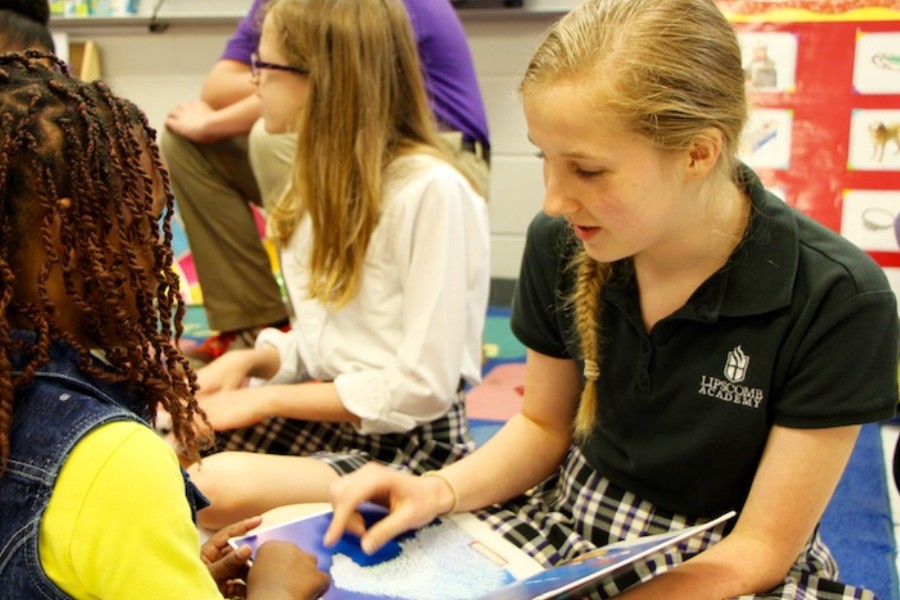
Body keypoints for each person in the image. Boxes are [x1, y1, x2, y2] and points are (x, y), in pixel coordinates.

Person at [324, 1, 900, 598]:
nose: (553, 200)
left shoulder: (840, 299)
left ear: (699, 153)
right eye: (545, 157)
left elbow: (759, 548)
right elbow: (543, 425)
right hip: (569, 525)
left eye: (589, 171)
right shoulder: (564, 244)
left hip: (723, 563)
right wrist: (439, 488)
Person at [0, 50, 330, 600]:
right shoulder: (114, 461)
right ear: (61, 236)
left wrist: (168, 569)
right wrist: (278, 593)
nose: (161, 256)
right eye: (146, 227)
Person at [183, 0, 490, 532]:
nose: (254, 82)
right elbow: (335, 340)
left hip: (411, 448)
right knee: (170, 438)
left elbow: (422, 387)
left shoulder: (431, 192)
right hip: (339, 420)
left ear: (322, 80)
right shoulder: (318, 178)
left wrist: (267, 400)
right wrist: (255, 362)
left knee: (205, 487)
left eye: (266, 68)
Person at [161, 0, 490, 363]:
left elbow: (343, 81)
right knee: (187, 142)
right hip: (346, 136)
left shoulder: (373, 10)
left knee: (268, 139)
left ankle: (336, 331)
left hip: (440, 150)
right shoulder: (282, 11)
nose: (255, 79)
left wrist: (212, 124)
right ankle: (260, 329)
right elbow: (218, 87)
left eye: (263, 67)